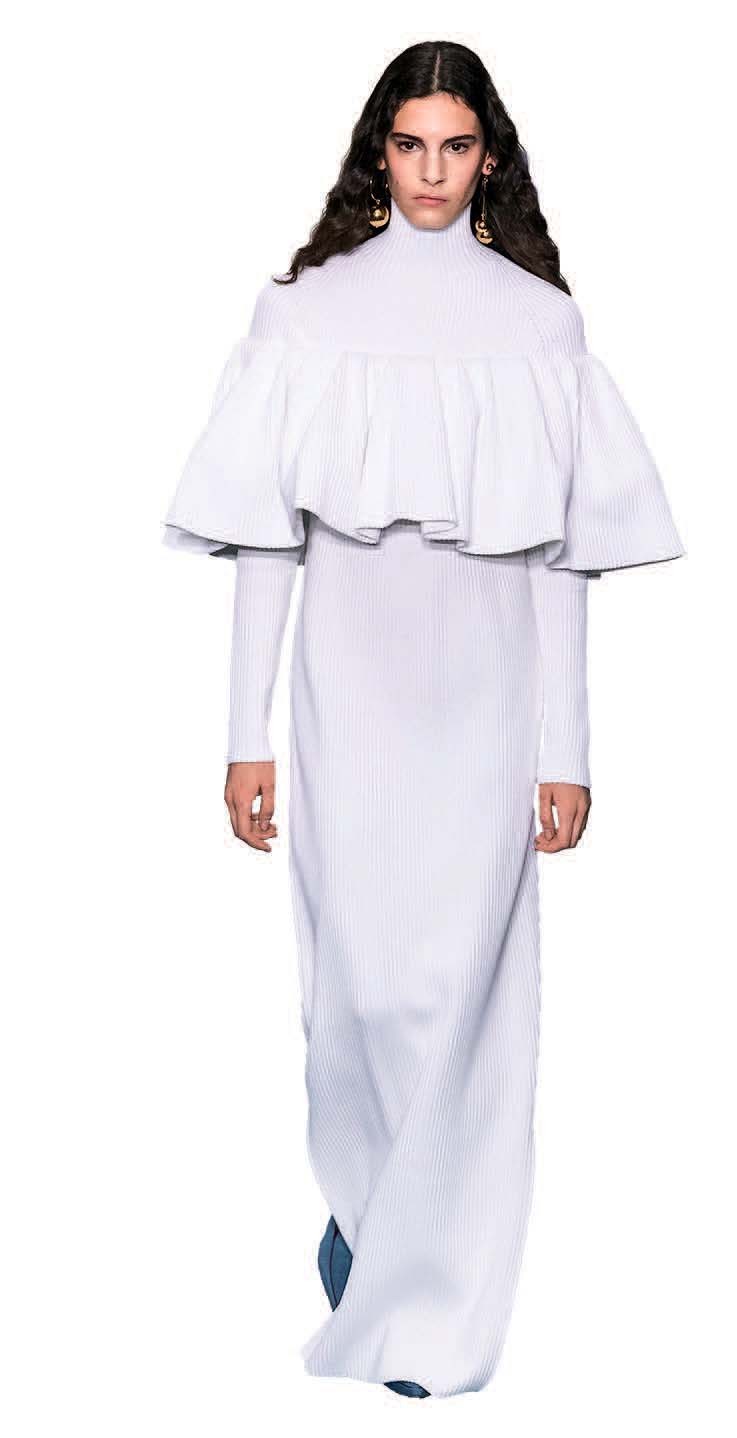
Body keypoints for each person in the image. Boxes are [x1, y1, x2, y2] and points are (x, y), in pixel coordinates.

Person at [162, 40, 685, 1400]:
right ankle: (366, 1210)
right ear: (378, 154)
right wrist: (244, 733)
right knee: (354, 987)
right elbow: (264, 539)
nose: (433, 171)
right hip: (347, 693)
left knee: (462, 992)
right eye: (411, 145)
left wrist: (567, 751)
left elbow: (562, 558)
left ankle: (428, 1301)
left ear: (488, 157)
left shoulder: (539, 327)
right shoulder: (304, 315)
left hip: (485, 701)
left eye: (456, 146)